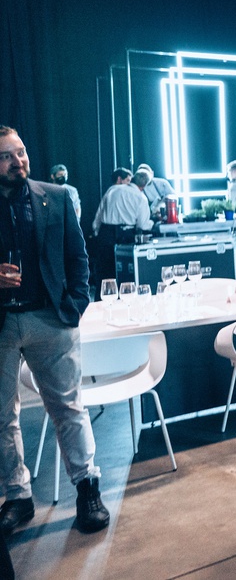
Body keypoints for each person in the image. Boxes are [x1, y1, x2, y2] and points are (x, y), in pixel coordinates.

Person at [0, 126, 109, 537]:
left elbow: (78, 257)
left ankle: (87, 489)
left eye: (21, 152)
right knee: (2, 416)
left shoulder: (56, 197)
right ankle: (18, 496)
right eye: (6, 156)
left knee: (68, 408)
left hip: (51, 319)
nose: (18, 161)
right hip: (2, 323)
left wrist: (76, 305)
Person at [90, 167, 153, 294]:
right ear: (144, 186)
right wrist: (154, 223)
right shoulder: (141, 197)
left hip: (105, 234)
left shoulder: (112, 189)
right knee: (124, 275)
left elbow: (98, 217)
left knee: (104, 276)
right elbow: (143, 225)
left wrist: (97, 233)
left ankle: (101, 303)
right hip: (125, 236)